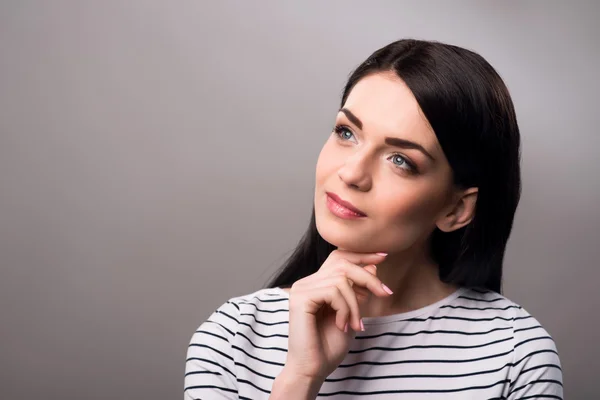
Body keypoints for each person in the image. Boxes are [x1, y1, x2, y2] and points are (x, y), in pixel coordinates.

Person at [184, 38, 563, 399]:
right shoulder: (233, 337)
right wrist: (299, 379)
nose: (351, 173)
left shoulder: (514, 354)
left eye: (401, 161)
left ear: (456, 209)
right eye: (346, 133)